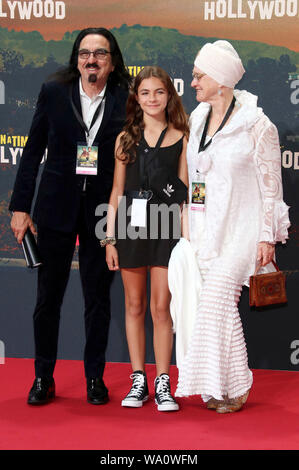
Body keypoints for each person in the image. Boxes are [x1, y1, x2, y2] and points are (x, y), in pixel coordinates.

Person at [9, 27, 131, 405]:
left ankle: (95, 377)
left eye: (100, 53)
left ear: (112, 62)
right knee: (49, 298)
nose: (91, 59)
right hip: (56, 207)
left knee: (98, 299)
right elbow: (32, 152)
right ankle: (42, 377)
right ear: (76, 58)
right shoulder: (53, 92)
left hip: (102, 211)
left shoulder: (127, 98)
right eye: (84, 53)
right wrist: (19, 207)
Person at [174, 40, 290, 413]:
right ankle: (225, 388)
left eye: (198, 75)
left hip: (244, 230)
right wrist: (187, 227)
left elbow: (272, 187)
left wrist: (267, 237)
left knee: (216, 302)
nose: (192, 83)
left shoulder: (257, 125)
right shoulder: (196, 118)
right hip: (206, 231)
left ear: (221, 79)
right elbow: (195, 180)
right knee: (221, 311)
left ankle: (221, 382)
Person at [102, 66, 189, 411]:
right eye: (145, 93)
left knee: (160, 307)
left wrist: (186, 241)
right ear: (136, 99)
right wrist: (109, 239)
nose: (152, 99)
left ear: (170, 96)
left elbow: (183, 194)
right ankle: (138, 379)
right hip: (131, 229)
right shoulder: (125, 138)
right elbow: (117, 192)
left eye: (159, 92)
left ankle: (163, 381)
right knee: (134, 305)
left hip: (167, 230)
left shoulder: (183, 135)